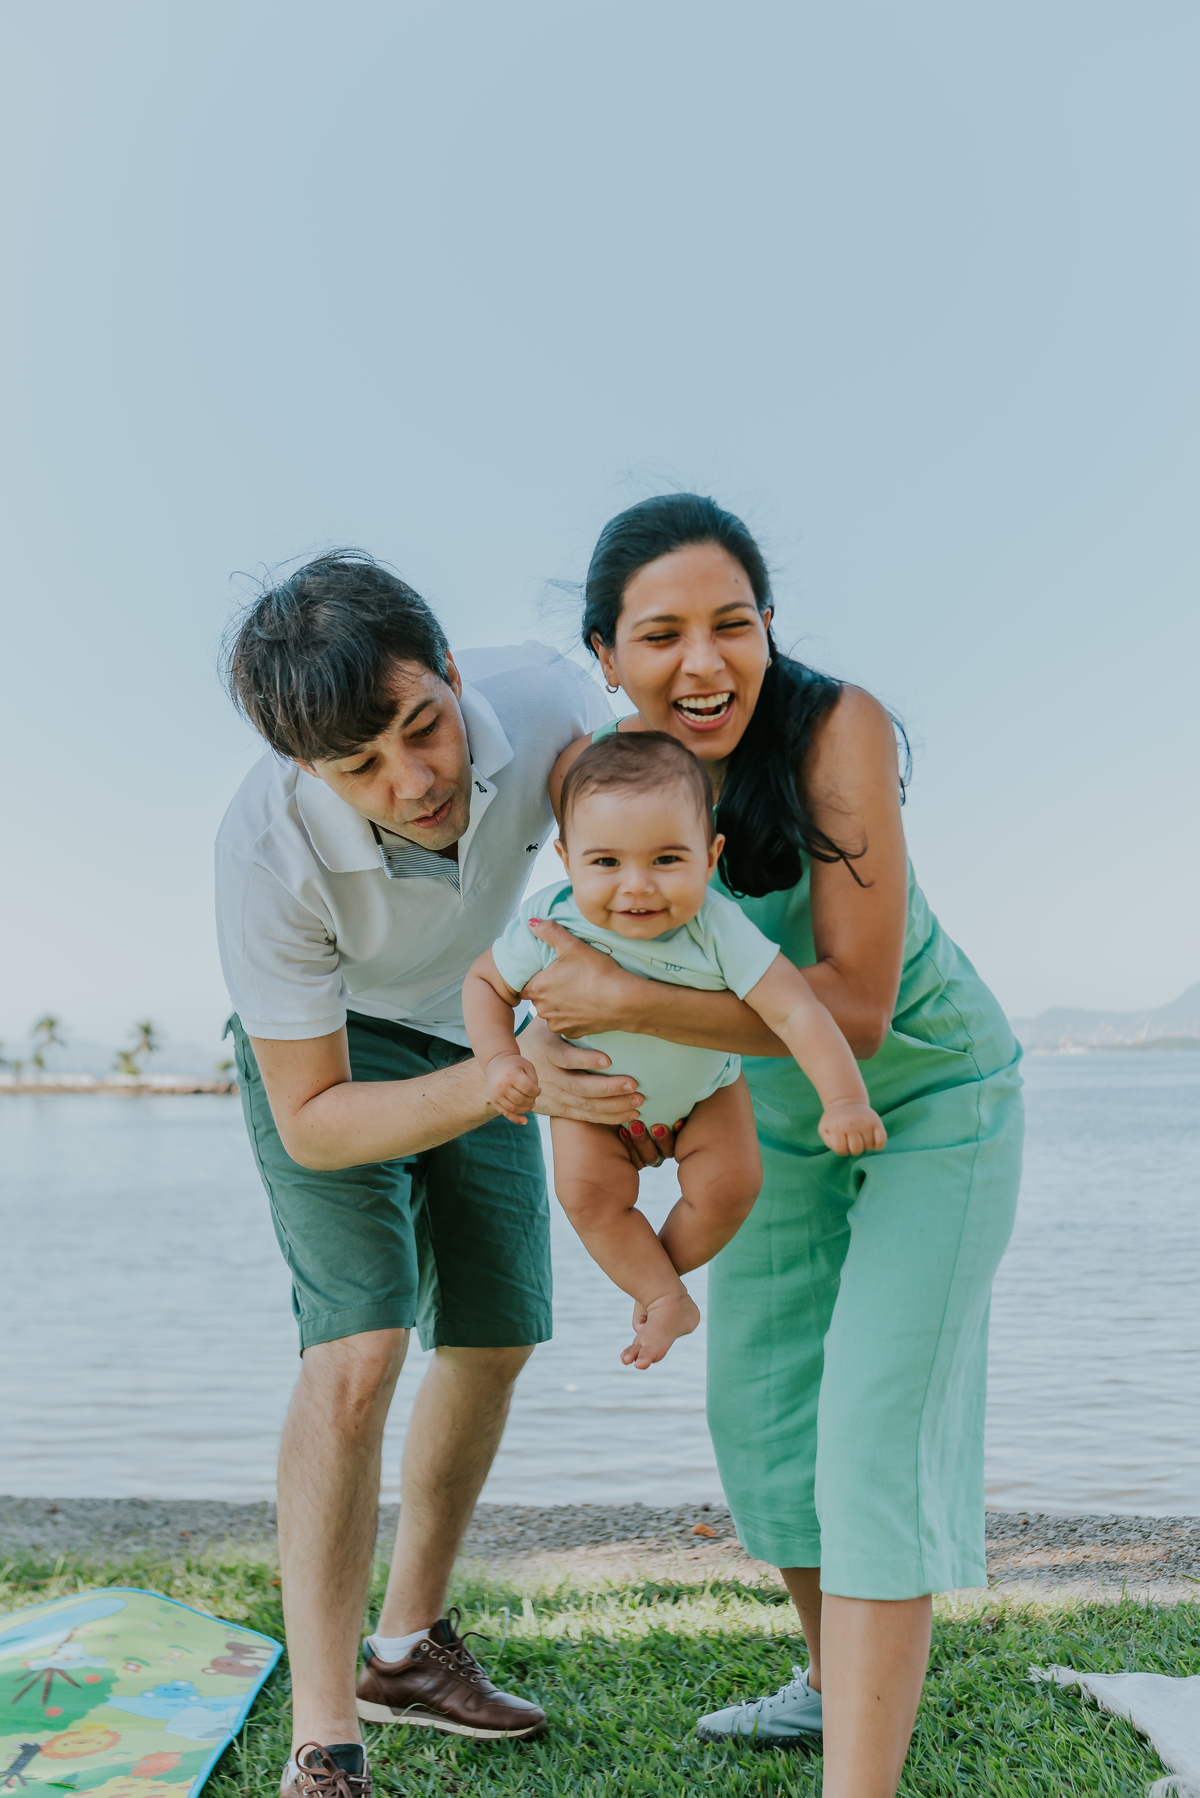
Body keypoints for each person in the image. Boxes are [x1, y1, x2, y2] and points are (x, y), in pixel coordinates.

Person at [531, 495, 1024, 1798]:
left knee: (869, 1433)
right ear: (604, 653)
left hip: (927, 1102)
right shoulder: (606, 774)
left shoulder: (835, 727)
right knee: (759, 1422)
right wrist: (543, 1055)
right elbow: (556, 953)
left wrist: (621, 1004)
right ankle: (827, 1682)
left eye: (732, 623)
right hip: (770, 1125)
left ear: (768, 628)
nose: (703, 661)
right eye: (662, 632)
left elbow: (851, 1005)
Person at [214, 551, 642, 1798]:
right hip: (337, 1049)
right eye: (363, 769)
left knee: (499, 1333)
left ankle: (407, 1648)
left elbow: (628, 876)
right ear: (309, 771)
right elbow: (313, 1120)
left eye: (425, 725)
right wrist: (513, 1082)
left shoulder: (557, 707)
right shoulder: (264, 851)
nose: (418, 781)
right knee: (358, 1351)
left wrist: (647, 1077)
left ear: (454, 672)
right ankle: (326, 1736)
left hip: (482, 1019)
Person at [462, 729, 886, 1368]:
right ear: (567, 856)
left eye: (666, 860)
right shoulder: (548, 920)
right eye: (606, 863)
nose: (637, 887)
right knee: (586, 1196)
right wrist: (500, 1059)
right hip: (592, 1105)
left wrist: (845, 1098)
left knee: (733, 1186)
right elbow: (485, 983)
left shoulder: (716, 928)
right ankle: (664, 1295)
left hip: (706, 1093)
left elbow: (798, 1010)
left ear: (710, 857)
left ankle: (657, 1279)